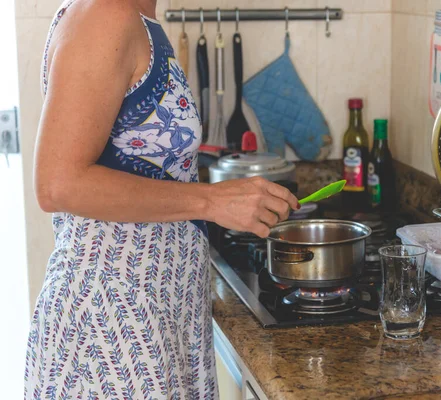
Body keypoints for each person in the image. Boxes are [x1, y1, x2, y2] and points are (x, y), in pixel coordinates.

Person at [23, 0, 299, 398]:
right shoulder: (106, 15)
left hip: (154, 315)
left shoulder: (138, 19)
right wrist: (211, 201)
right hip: (112, 325)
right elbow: (58, 183)